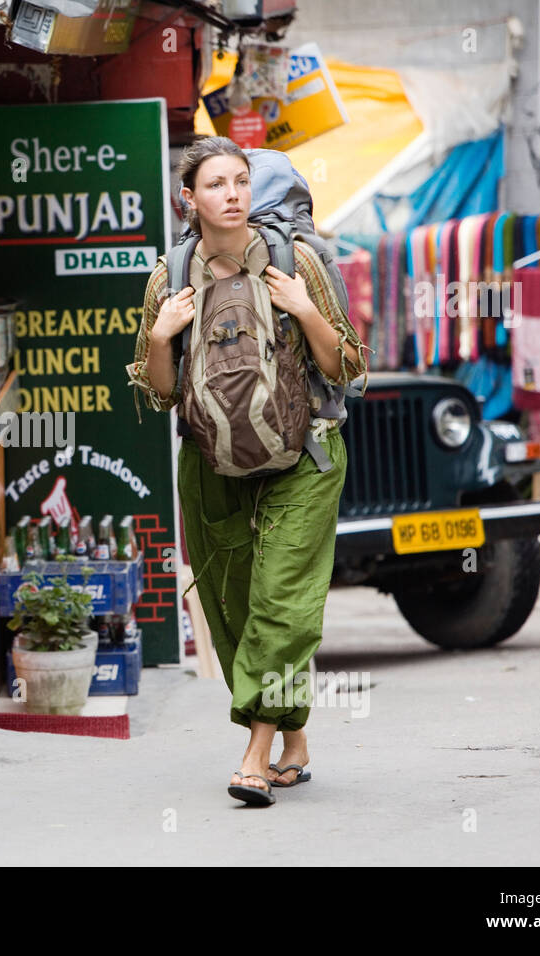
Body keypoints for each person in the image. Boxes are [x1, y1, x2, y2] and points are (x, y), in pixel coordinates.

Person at [127, 137, 366, 806]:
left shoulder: (298, 264)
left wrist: (306, 310)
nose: (231, 194)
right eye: (215, 184)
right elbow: (161, 392)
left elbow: (347, 365)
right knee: (234, 608)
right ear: (190, 198)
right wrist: (158, 336)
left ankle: (255, 754)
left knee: (282, 601)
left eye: (240, 181)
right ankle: (294, 740)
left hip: (307, 452)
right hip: (211, 461)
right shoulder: (168, 279)